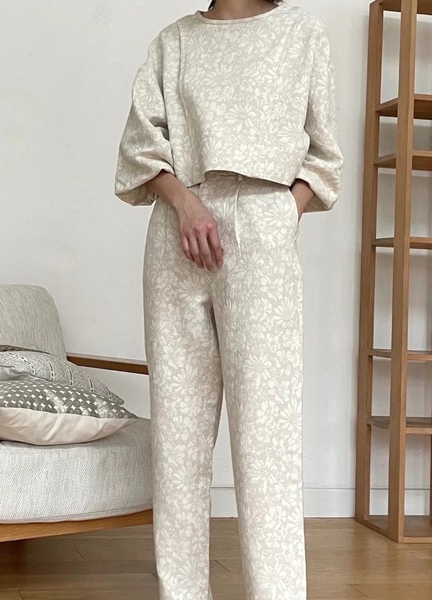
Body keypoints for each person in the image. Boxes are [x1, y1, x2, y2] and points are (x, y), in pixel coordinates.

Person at [114, 0, 343, 598]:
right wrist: (185, 203)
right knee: (178, 436)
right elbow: (140, 144)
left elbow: (324, 155)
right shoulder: (174, 41)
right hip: (177, 229)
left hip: (263, 226)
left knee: (266, 436)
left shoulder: (301, 34)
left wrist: (281, 214)